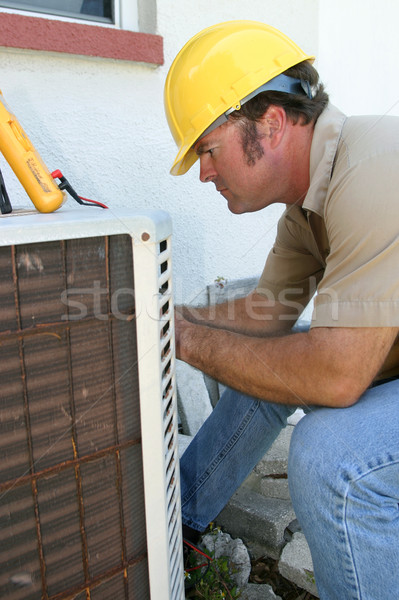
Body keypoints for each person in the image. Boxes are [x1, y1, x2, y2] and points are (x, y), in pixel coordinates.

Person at [164, 20, 399, 599]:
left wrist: (184, 343)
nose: (204, 172)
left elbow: (337, 375)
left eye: (209, 150)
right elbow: (267, 314)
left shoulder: (376, 170)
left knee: (331, 457)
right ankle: (183, 525)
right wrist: (171, 318)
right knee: (267, 361)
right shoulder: (307, 203)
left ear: (269, 124)